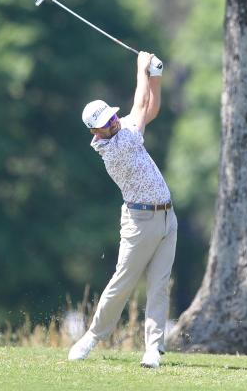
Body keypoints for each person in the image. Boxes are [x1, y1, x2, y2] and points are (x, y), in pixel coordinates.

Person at [68, 51, 176, 369]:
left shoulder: (123, 128)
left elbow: (150, 108)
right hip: (140, 221)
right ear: (95, 133)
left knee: (160, 284)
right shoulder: (116, 147)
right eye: (105, 125)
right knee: (123, 283)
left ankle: (154, 349)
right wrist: (141, 67)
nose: (113, 125)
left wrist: (155, 76)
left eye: (112, 119)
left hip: (167, 216)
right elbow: (141, 106)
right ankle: (92, 337)